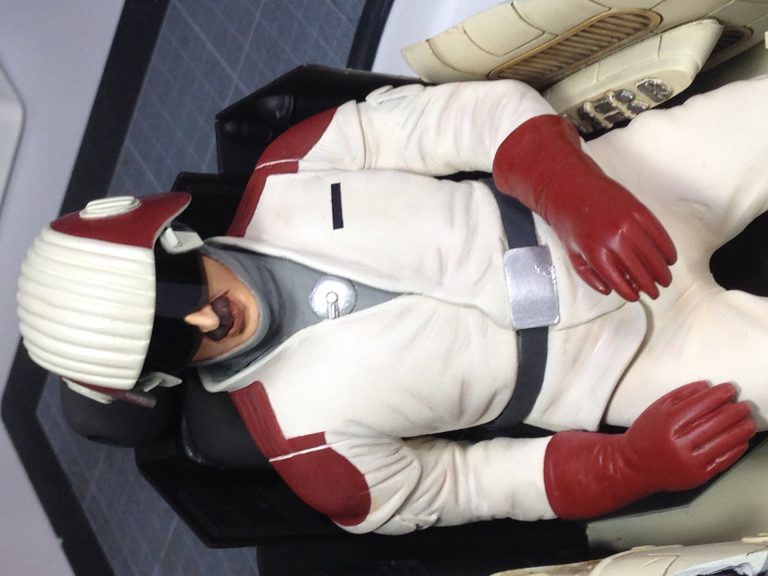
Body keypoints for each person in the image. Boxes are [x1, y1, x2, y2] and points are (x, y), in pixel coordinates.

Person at [17, 74, 767, 535]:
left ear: (170, 239)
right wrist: (632, 465)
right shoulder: (318, 460)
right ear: (160, 379)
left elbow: (473, 117)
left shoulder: (297, 164)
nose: (209, 318)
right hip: (629, 367)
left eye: (180, 291)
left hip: (626, 184)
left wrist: (570, 192)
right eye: (171, 341)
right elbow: (483, 487)